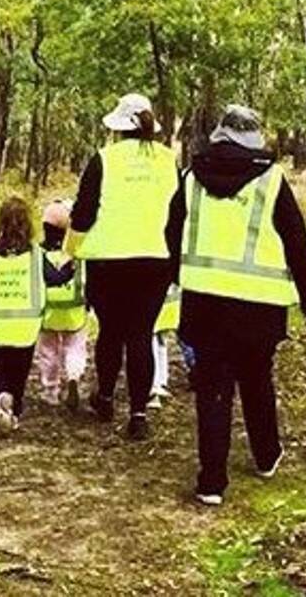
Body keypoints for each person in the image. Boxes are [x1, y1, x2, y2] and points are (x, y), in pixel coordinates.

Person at [166, 105, 306, 506]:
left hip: (204, 301)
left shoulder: (190, 177)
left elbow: (171, 232)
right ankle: (266, 455)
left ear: (219, 135)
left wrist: (173, 277)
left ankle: (211, 481)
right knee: (256, 378)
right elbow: (296, 240)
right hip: (259, 306)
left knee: (211, 387)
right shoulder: (271, 180)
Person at [66, 92, 179, 439]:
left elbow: (84, 213)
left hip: (108, 262)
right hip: (155, 259)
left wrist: (71, 249)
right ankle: (139, 414)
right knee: (141, 334)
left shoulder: (103, 159)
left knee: (111, 333)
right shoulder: (168, 160)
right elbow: (178, 212)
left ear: (118, 127)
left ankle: (104, 397)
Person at [0, 196, 72, 433]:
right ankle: (15, 408)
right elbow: (55, 279)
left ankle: (1, 396)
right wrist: (71, 266)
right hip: (25, 328)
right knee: (19, 370)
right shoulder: (35, 256)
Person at [35, 200, 88, 409]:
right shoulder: (77, 255)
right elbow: (85, 281)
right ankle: (73, 376)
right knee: (75, 347)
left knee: (48, 351)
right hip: (74, 312)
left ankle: (50, 390)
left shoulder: (39, 255)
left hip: (48, 313)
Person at [148, 282, 183, 409]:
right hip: (169, 299)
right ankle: (161, 381)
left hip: (154, 298)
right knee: (161, 339)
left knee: (151, 338)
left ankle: (154, 385)